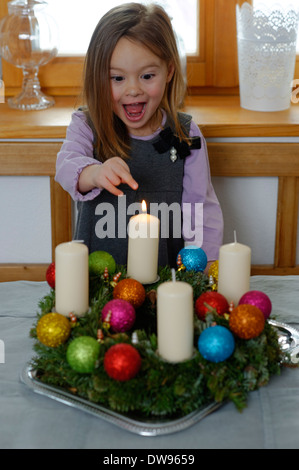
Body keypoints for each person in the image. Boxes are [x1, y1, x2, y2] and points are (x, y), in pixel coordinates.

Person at [55, 2, 223, 272]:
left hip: (165, 283)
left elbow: (199, 209)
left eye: (147, 75)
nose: (133, 90)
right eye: (117, 78)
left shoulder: (185, 133)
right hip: (99, 285)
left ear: (168, 71)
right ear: (98, 77)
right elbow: (65, 166)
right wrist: (95, 173)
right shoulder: (87, 126)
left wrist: (206, 264)